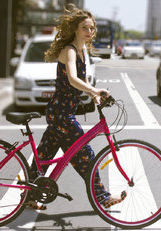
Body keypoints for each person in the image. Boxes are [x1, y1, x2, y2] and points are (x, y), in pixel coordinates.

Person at [28, 4, 126, 210]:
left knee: (44, 154)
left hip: (60, 112)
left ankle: (29, 195)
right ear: (75, 29)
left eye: (91, 28)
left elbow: (78, 84)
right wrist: (93, 89)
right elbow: (72, 79)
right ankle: (102, 197)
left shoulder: (82, 51)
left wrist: (93, 94)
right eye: (85, 28)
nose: (89, 32)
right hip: (61, 114)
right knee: (86, 155)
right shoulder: (70, 51)